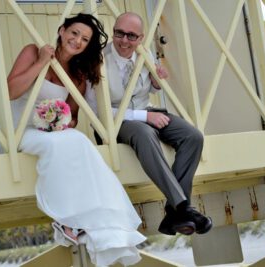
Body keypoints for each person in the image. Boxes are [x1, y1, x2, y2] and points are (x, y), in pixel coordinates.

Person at [8, 13, 146, 266]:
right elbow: (11, 91)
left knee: (80, 140)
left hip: (49, 132)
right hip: (20, 130)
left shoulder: (77, 74)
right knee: (57, 144)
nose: (77, 40)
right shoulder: (32, 51)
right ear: (62, 30)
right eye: (74, 33)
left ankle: (102, 221)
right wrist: (41, 62)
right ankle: (66, 218)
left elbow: (71, 117)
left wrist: (60, 121)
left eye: (84, 39)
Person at [87, 12, 213, 236]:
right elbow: (98, 111)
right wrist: (145, 117)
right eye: (119, 33)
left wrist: (156, 82)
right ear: (113, 31)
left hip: (147, 112)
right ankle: (184, 208)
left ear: (141, 38)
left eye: (132, 36)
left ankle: (173, 213)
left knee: (193, 136)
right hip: (115, 123)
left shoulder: (143, 55)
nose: (125, 40)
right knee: (146, 133)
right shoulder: (96, 60)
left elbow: (148, 90)